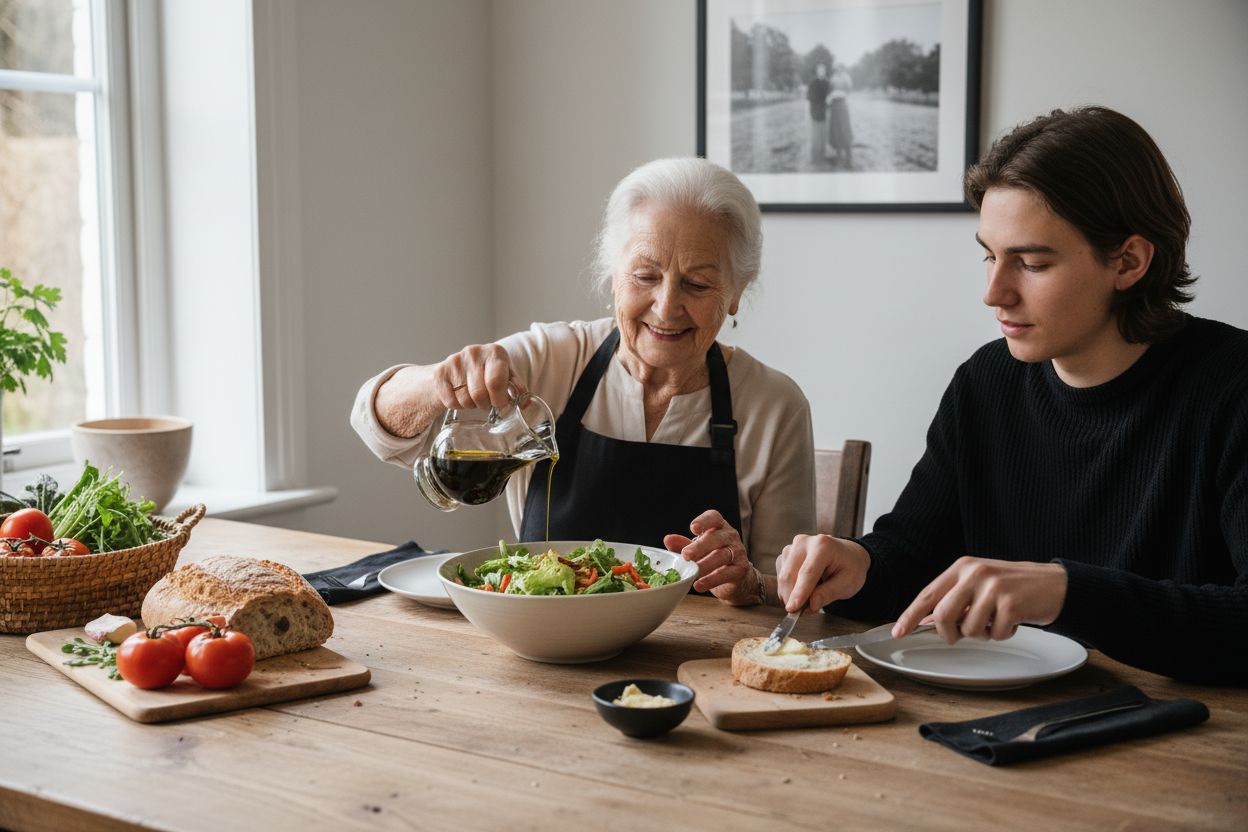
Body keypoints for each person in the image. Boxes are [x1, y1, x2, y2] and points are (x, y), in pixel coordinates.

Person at [777, 106, 1248, 685]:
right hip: (990, 731)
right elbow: (915, 558)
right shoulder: (986, 382)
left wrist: (1065, 591)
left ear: (1128, 262)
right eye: (989, 254)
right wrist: (860, 565)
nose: (994, 292)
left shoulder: (1232, 389)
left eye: (1031, 262)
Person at [352, 157, 815, 606]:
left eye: (696, 284)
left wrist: (751, 583)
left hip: (693, 665)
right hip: (542, 650)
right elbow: (376, 428)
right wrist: (437, 383)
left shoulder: (774, 405)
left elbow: (790, 589)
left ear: (736, 292)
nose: (667, 305)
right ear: (613, 275)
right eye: (645, 275)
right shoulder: (549, 360)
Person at [827, 64, 854, 168]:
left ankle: (849, 155)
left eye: (840, 68)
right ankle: (839, 155)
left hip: (842, 104)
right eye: (837, 69)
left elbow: (849, 90)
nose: (838, 70)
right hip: (834, 105)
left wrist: (844, 97)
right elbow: (830, 90)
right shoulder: (832, 78)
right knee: (836, 129)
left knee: (845, 128)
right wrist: (830, 98)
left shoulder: (846, 77)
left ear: (843, 69)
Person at [806, 63, 832, 167]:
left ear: (825, 71)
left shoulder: (827, 82)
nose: (821, 72)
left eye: (823, 70)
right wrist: (820, 100)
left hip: (824, 111)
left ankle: (822, 156)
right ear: (817, 71)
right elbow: (809, 97)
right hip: (815, 111)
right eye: (820, 70)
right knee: (815, 135)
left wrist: (829, 99)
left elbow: (829, 95)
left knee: (823, 135)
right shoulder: (813, 82)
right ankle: (815, 157)